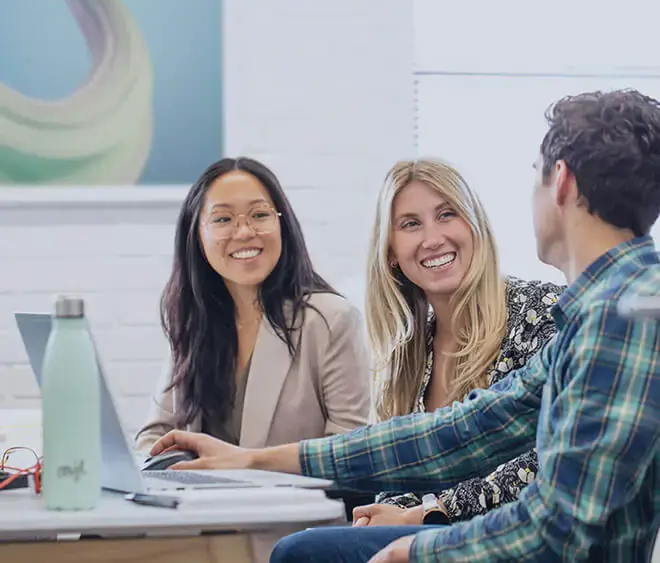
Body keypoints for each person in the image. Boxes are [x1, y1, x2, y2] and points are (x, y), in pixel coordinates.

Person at [148, 90, 660, 562]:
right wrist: (253, 460)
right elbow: (459, 433)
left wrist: (418, 547)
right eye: (410, 224)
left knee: (303, 554)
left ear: (562, 181)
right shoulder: (599, 310)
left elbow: (558, 527)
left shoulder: (621, 316)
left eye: (535, 175)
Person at [354, 158, 562, 528]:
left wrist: (427, 515)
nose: (432, 239)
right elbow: (396, 476)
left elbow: (551, 459)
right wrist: (390, 517)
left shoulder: (543, 312)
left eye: (447, 214)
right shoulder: (405, 358)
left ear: (475, 225)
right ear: (390, 253)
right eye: (411, 224)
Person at [135, 157, 370, 453]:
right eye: (222, 219)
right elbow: (154, 436)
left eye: (259, 215)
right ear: (196, 235)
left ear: (282, 224)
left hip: (298, 500)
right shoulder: (196, 321)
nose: (244, 232)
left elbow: (351, 456)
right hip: (199, 499)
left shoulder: (332, 321)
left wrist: (241, 463)